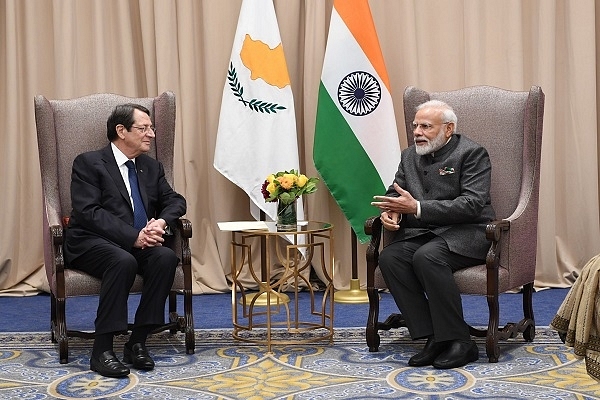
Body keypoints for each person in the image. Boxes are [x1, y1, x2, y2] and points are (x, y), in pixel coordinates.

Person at [64, 103, 186, 378]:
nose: (151, 134)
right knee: (122, 260)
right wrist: (135, 236)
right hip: (91, 241)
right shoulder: (88, 162)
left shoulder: (151, 167)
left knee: (165, 257)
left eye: (151, 128)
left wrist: (160, 222)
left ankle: (138, 342)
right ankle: (102, 350)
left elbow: (175, 201)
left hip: (137, 242)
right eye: (144, 128)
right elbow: (88, 212)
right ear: (121, 131)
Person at [371, 99, 495, 369]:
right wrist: (392, 211)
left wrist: (416, 207)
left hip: (468, 233)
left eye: (426, 127)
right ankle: (435, 337)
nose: (417, 132)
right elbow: (396, 191)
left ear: (448, 129)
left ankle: (462, 342)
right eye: (416, 125)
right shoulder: (409, 155)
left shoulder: (472, 153)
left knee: (427, 257)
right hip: (426, 232)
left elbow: (473, 204)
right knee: (391, 257)